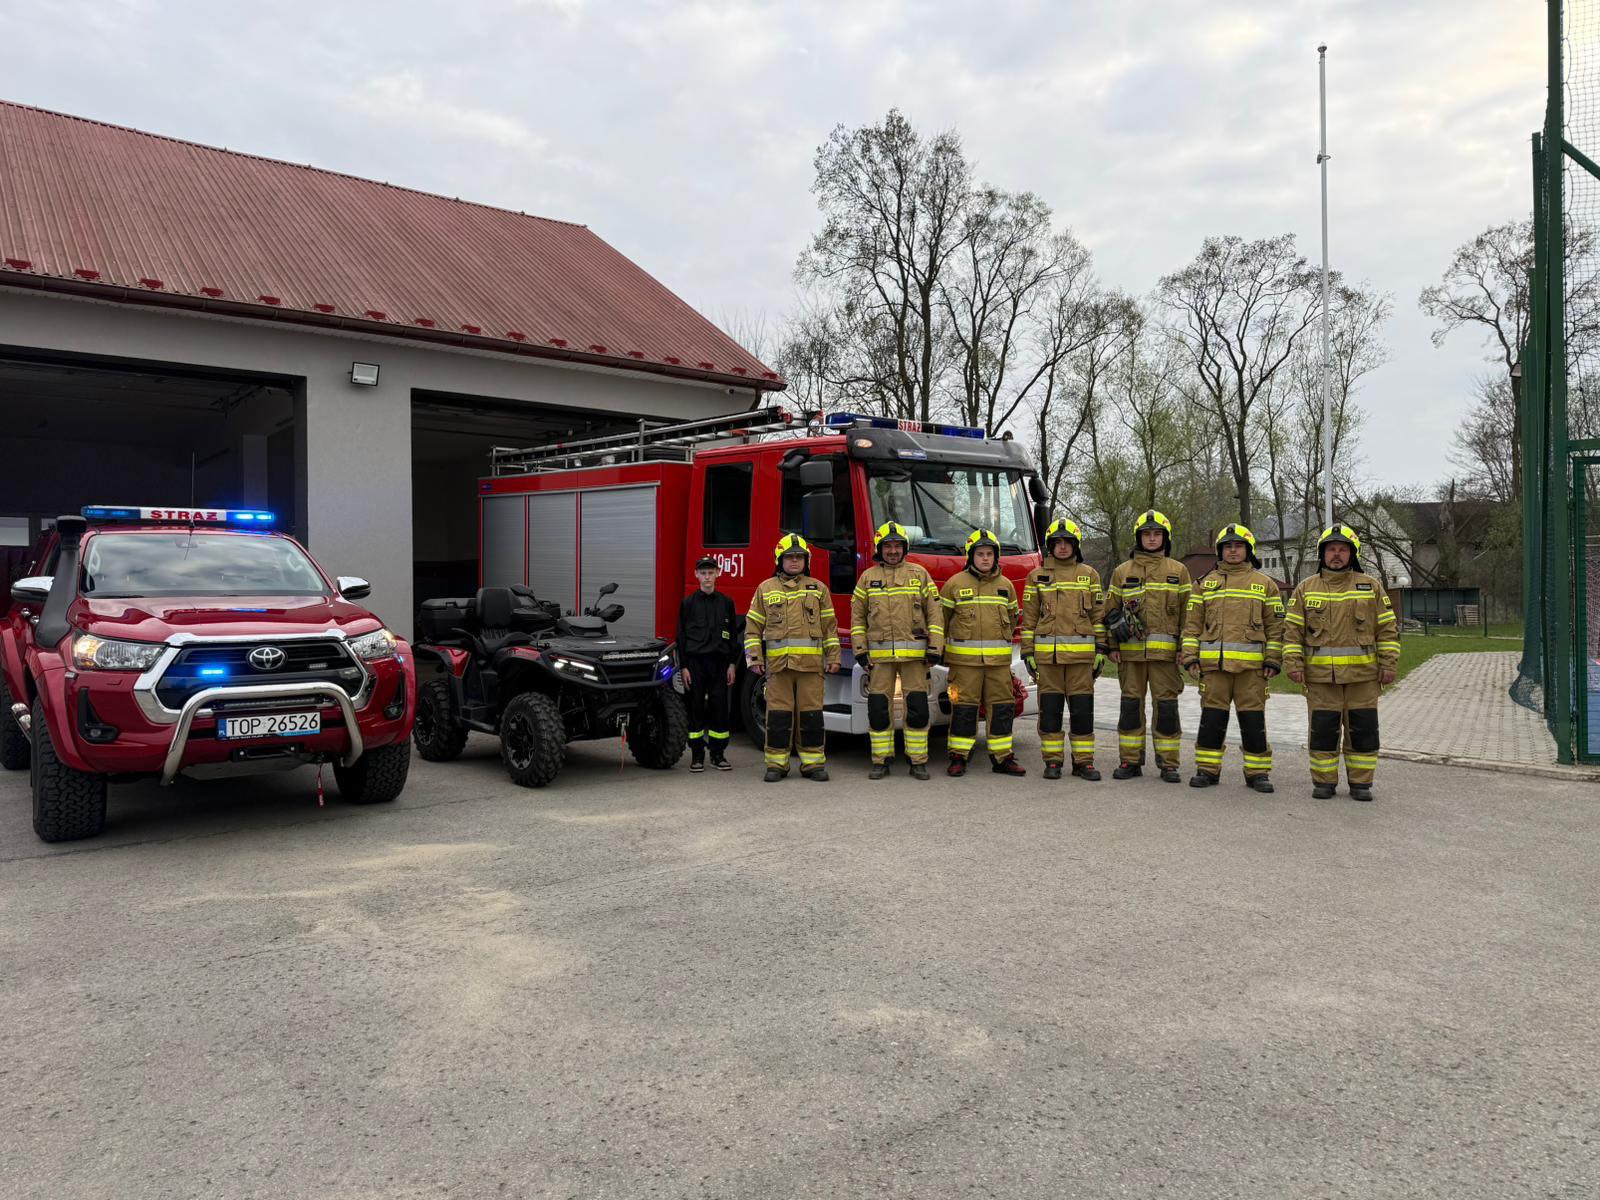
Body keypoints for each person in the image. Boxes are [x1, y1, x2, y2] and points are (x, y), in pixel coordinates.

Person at [1281, 524, 1400, 802]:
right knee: (1323, 732)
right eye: (1331, 549)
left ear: (1352, 554)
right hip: (1321, 678)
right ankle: (1324, 782)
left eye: (1343, 550)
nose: (1336, 555)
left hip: (1363, 678)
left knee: (1363, 731)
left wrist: (1389, 664)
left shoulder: (1370, 586)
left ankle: (1361, 784)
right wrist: (1294, 664)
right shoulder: (1305, 589)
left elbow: (1387, 630)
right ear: (1322, 554)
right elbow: (1292, 632)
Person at [1180, 524, 1284, 792]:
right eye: (1228, 546)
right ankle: (1207, 770)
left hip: (1252, 670)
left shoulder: (1265, 585)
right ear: (1220, 551)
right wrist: (1190, 657)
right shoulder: (1204, 584)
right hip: (1214, 669)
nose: (1233, 551)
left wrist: (1273, 659)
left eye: (1238, 546)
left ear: (1249, 550)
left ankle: (1257, 773)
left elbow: (1275, 628)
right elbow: (1192, 625)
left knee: (1253, 722)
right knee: (1212, 720)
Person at [744, 533, 841, 782]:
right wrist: (754, 659)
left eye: (799, 557)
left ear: (807, 561)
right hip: (779, 668)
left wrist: (834, 657)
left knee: (811, 717)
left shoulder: (819, 589)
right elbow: (752, 628)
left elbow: (830, 628)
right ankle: (776, 765)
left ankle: (813, 764)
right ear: (780, 560)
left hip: (811, 668)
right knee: (778, 717)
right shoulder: (765, 589)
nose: (795, 561)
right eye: (789, 557)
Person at [1104, 510, 1192, 783]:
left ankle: (1169, 764)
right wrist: (1111, 646)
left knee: (1166, 709)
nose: (1152, 539)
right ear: (1138, 538)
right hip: (1130, 656)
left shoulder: (1178, 571)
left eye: (1157, 534)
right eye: (1146, 534)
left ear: (1165, 538)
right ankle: (1130, 761)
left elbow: (1188, 615)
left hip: (1165, 657)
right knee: (1130, 708)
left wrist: (1185, 649)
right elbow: (1110, 611)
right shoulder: (1122, 572)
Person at [851, 521, 943, 780]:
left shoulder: (919, 574)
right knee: (879, 710)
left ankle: (918, 761)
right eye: (887, 546)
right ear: (879, 549)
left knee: (917, 709)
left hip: (915, 659)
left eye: (897, 546)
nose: (892, 551)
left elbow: (935, 614)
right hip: (879, 659)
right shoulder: (867, 578)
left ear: (905, 548)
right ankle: (881, 761)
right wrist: (860, 650)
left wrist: (935, 648)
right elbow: (857, 618)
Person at [1020, 517, 1105, 781]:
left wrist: (1101, 650)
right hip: (1049, 661)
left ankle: (1084, 763)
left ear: (1076, 545)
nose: (1063, 547)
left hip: (1081, 661)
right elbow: (1029, 619)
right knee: (1050, 712)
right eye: (1057, 542)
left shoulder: (1089, 575)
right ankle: (1053, 761)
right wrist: (1027, 652)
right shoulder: (1037, 576)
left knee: (1082, 712)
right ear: (1050, 545)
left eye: (1068, 542)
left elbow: (1098, 617)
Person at [939, 528, 1025, 777]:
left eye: (989, 554)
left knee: (1002, 708)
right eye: (980, 554)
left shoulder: (1006, 586)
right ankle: (958, 757)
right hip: (964, 665)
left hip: (998, 665)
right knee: (963, 709)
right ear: (971, 556)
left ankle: (1003, 758)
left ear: (995, 556)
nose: (985, 558)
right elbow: (941, 621)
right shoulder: (954, 584)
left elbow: (1012, 618)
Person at [676, 555, 738, 772]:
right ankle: (697, 755)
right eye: (703, 573)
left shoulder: (726, 603)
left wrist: (732, 664)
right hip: (696, 664)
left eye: (711, 573)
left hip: (719, 664)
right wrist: (684, 666)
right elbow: (681, 636)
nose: (707, 577)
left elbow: (732, 636)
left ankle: (718, 754)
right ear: (696, 575)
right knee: (695, 708)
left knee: (719, 709)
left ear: (718, 573)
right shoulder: (688, 604)